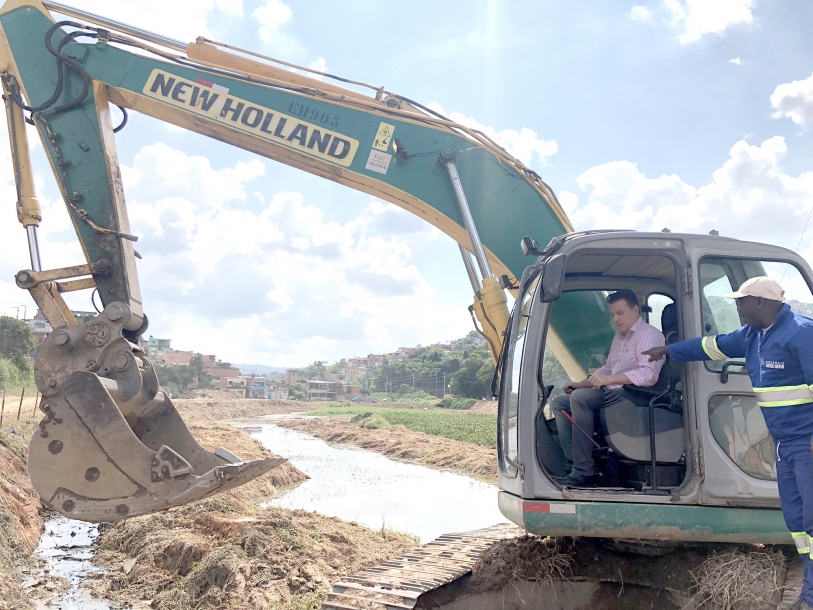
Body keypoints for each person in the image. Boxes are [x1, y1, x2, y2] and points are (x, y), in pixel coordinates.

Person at [643, 276, 813, 610]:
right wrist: (669, 350)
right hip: (784, 445)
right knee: (797, 523)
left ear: (762, 302)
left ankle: (809, 597)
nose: (737, 307)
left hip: (806, 445)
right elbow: (712, 345)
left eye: (742, 301)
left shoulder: (802, 333)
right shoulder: (752, 335)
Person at [551, 289, 665, 487]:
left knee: (580, 399)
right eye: (612, 315)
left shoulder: (649, 336)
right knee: (560, 402)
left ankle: (584, 473)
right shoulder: (620, 337)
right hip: (615, 392)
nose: (616, 319)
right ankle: (573, 465)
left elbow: (649, 375)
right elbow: (609, 368)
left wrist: (609, 380)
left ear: (636, 310)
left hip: (635, 396)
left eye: (620, 313)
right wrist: (580, 384)